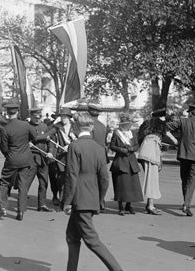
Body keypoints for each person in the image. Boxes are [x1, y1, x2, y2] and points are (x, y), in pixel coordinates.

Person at [62, 113, 123, 271]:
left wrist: (67, 201)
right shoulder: (99, 148)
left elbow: (71, 175)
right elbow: (104, 178)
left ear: (76, 127)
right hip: (90, 197)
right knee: (72, 236)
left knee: (92, 241)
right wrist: (99, 199)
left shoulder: (74, 146)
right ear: (91, 127)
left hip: (78, 199)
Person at [168, 104, 195, 217]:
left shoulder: (182, 121)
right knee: (192, 181)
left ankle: (185, 203)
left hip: (183, 155)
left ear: (190, 113)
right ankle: (186, 204)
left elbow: (167, 127)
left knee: (184, 180)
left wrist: (175, 141)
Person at [0, 102, 36, 220]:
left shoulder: (5, 128)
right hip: (25, 159)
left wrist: (9, 155)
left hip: (12, 160)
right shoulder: (26, 125)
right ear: (17, 112)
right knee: (23, 185)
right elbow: (34, 136)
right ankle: (21, 211)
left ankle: (3, 207)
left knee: (4, 182)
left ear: (7, 113)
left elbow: (3, 148)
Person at [136, 108, 174, 214]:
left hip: (144, 151)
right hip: (152, 152)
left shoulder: (146, 124)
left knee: (150, 178)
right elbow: (173, 140)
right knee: (152, 179)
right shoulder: (162, 125)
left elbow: (139, 137)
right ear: (162, 117)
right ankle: (151, 206)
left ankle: (149, 203)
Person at [108, 115, 142, 215]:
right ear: (122, 124)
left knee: (132, 185)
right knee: (121, 185)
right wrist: (120, 149)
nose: (128, 125)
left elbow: (137, 145)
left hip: (132, 162)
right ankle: (120, 206)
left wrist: (132, 149)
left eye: (129, 123)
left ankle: (128, 205)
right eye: (126, 124)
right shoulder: (117, 133)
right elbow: (112, 146)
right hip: (121, 161)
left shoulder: (133, 133)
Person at [49, 108, 76, 208]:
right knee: (59, 178)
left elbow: (78, 140)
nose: (63, 118)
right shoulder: (56, 127)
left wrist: (70, 146)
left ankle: (67, 199)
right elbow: (51, 140)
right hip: (60, 156)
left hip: (72, 155)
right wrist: (50, 152)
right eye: (62, 116)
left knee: (70, 178)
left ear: (69, 117)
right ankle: (58, 197)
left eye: (65, 116)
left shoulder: (75, 127)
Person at [28, 107, 54, 212]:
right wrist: (27, 144)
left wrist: (51, 151)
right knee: (26, 182)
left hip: (44, 159)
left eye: (39, 117)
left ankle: (42, 204)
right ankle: (21, 203)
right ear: (31, 116)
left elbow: (49, 142)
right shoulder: (27, 127)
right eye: (35, 117)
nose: (38, 119)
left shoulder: (44, 126)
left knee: (44, 183)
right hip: (31, 159)